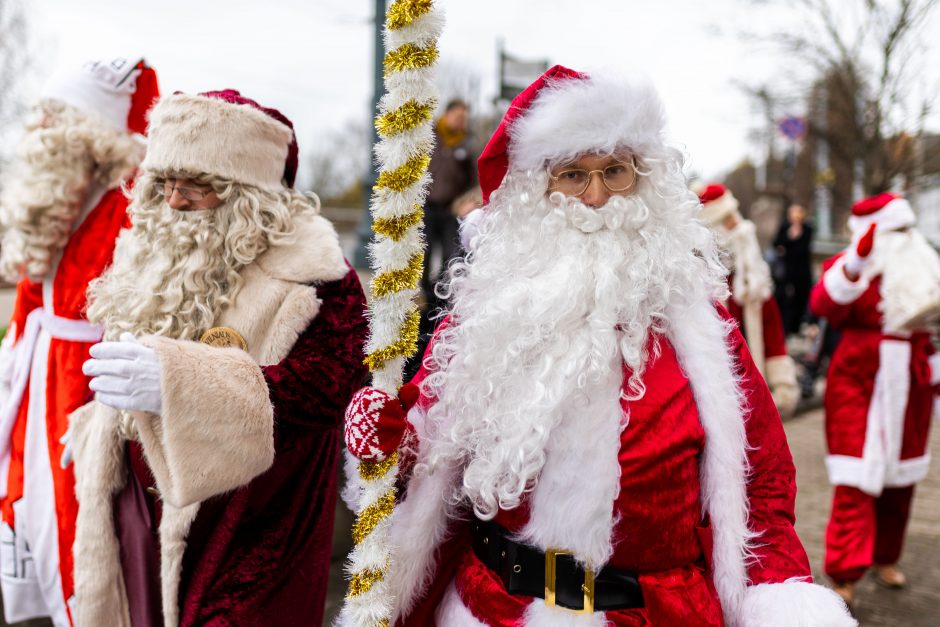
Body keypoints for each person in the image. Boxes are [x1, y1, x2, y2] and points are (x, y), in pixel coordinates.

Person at [342, 66, 854, 626]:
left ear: (645, 178)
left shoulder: (701, 324)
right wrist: (385, 435)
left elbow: (761, 478)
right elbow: (424, 441)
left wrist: (780, 596)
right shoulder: (485, 312)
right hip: (494, 608)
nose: (596, 197)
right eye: (571, 175)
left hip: (654, 614)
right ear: (535, 188)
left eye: (615, 171)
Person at [69, 90, 368, 626]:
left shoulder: (316, 276)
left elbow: (330, 387)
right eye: (164, 185)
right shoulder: (148, 252)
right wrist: (96, 427)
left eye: (197, 187)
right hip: (140, 514)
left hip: (249, 523)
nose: (175, 202)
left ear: (248, 195)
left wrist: (181, 383)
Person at [0, 56, 159, 626]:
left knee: (81, 525)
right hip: (38, 379)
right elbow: (27, 296)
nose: (39, 126)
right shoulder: (57, 201)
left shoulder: (131, 204)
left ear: (89, 129)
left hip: (86, 381)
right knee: (34, 509)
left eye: (53, 113)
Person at [809, 192, 940, 608]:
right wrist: (855, 265)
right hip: (858, 379)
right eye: (896, 230)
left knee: (901, 480)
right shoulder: (852, 266)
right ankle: (845, 571)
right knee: (855, 479)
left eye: (908, 229)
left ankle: (886, 557)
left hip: (913, 377)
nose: (906, 237)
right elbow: (822, 304)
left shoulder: (925, 266)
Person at [697, 183, 800, 418]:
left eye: (734, 215)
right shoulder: (701, 286)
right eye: (726, 219)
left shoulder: (755, 282)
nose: (737, 224)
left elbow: (771, 330)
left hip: (754, 392)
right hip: (716, 397)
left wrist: (782, 383)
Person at [421, 98, 476, 303]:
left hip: (451, 209)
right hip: (425, 207)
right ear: (448, 114)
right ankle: (423, 295)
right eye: (459, 116)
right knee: (423, 255)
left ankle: (440, 297)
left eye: (465, 118)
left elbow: (472, 180)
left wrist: (465, 201)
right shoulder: (429, 136)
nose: (462, 121)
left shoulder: (467, 143)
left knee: (449, 255)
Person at [774, 203, 814, 336]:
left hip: (802, 270)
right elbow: (777, 243)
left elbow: (802, 249)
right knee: (786, 298)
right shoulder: (785, 227)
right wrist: (789, 237)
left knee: (801, 297)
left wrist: (788, 244)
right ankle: (787, 327)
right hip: (787, 270)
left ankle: (798, 325)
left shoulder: (807, 228)